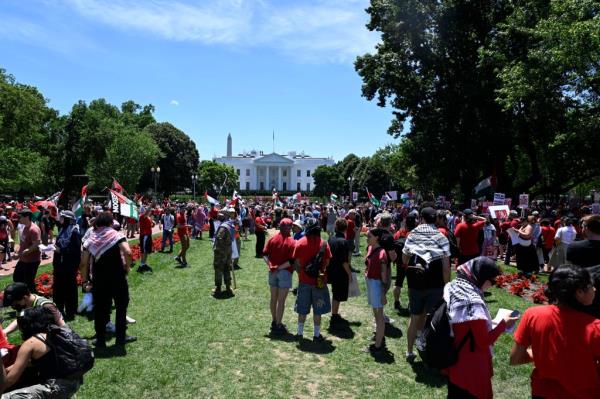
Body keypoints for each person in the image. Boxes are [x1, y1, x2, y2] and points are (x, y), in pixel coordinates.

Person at [510, 264, 600, 398]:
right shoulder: (595, 327)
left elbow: (515, 359)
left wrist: (543, 353)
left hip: (542, 393)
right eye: (590, 286)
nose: (594, 289)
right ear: (579, 293)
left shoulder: (533, 315)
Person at [445, 257, 517, 398]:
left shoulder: (455, 286)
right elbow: (483, 342)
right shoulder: (473, 302)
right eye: (493, 281)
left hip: (455, 358)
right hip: (471, 365)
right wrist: (504, 324)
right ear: (481, 276)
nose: (494, 284)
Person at [80, 212, 136, 347]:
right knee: (121, 308)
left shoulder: (91, 240)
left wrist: (85, 280)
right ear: (111, 223)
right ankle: (121, 339)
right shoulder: (117, 236)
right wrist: (127, 268)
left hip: (99, 280)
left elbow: (83, 263)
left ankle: (100, 340)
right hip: (118, 278)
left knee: (100, 310)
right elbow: (128, 253)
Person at [402, 207, 450, 363]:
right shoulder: (441, 237)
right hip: (435, 284)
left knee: (415, 316)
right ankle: (427, 349)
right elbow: (446, 267)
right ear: (435, 219)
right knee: (431, 319)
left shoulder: (413, 234)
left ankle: (409, 351)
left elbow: (404, 258)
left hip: (415, 282)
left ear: (421, 218)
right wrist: (447, 286)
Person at [0, 307, 81, 398]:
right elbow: (29, 363)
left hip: (55, 387)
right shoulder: (60, 333)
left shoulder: (31, 343)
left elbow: (10, 380)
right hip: (75, 383)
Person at [292, 218, 332, 341]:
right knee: (318, 309)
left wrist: (301, 272)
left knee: (302, 308)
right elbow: (328, 262)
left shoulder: (300, 243)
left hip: (304, 280)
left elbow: (296, 262)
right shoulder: (324, 244)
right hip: (319, 281)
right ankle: (316, 334)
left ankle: (299, 333)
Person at [263, 218, 296, 334]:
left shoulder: (272, 239)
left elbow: (264, 255)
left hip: (272, 272)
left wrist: (271, 266)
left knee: (273, 298)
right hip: (285, 272)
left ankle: (274, 320)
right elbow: (291, 261)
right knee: (281, 300)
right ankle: (278, 324)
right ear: (290, 228)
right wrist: (279, 267)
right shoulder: (292, 242)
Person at [52, 211, 81, 321]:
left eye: (63, 218)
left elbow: (76, 250)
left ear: (68, 219)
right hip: (59, 265)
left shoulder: (74, 232)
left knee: (69, 289)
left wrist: (62, 250)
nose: (60, 220)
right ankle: (59, 309)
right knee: (58, 288)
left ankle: (70, 311)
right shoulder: (62, 229)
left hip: (69, 266)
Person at [364, 228, 390, 353]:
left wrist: (383, 293)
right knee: (375, 312)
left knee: (379, 315)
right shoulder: (370, 248)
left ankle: (378, 345)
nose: (367, 238)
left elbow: (384, 275)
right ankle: (379, 336)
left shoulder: (382, 253)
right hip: (370, 282)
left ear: (377, 238)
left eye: (369, 236)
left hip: (376, 285)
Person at [327, 218, 351, 326]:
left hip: (331, 270)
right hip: (340, 272)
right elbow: (344, 261)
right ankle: (334, 315)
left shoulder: (330, 239)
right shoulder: (344, 242)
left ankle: (334, 313)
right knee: (337, 294)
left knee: (335, 292)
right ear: (346, 228)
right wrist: (349, 273)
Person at [12, 208, 41, 293]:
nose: (19, 219)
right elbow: (22, 242)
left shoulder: (33, 229)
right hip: (23, 260)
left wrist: (20, 254)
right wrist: (17, 251)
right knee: (17, 277)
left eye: (20, 217)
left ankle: (32, 300)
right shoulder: (25, 228)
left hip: (31, 261)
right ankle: (24, 296)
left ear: (27, 217)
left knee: (28, 282)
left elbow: (35, 245)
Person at [392, 214, 417, 311]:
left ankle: (396, 302)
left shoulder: (399, 232)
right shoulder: (415, 233)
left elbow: (393, 245)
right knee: (411, 285)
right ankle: (411, 304)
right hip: (412, 263)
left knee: (398, 283)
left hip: (400, 262)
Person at [212, 208, 235, 297]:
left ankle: (218, 288)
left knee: (218, 269)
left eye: (220, 215)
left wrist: (216, 245)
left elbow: (219, 238)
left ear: (224, 216)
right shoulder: (230, 224)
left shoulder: (223, 227)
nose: (218, 216)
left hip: (221, 252)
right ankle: (228, 287)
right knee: (227, 268)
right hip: (228, 251)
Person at [137, 207, 154, 273]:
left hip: (148, 235)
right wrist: (152, 205)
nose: (150, 211)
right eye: (147, 210)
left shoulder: (147, 218)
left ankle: (144, 264)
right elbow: (146, 212)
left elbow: (149, 226)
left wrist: (152, 224)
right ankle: (141, 266)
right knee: (143, 251)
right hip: (144, 236)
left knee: (146, 251)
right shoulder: (142, 216)